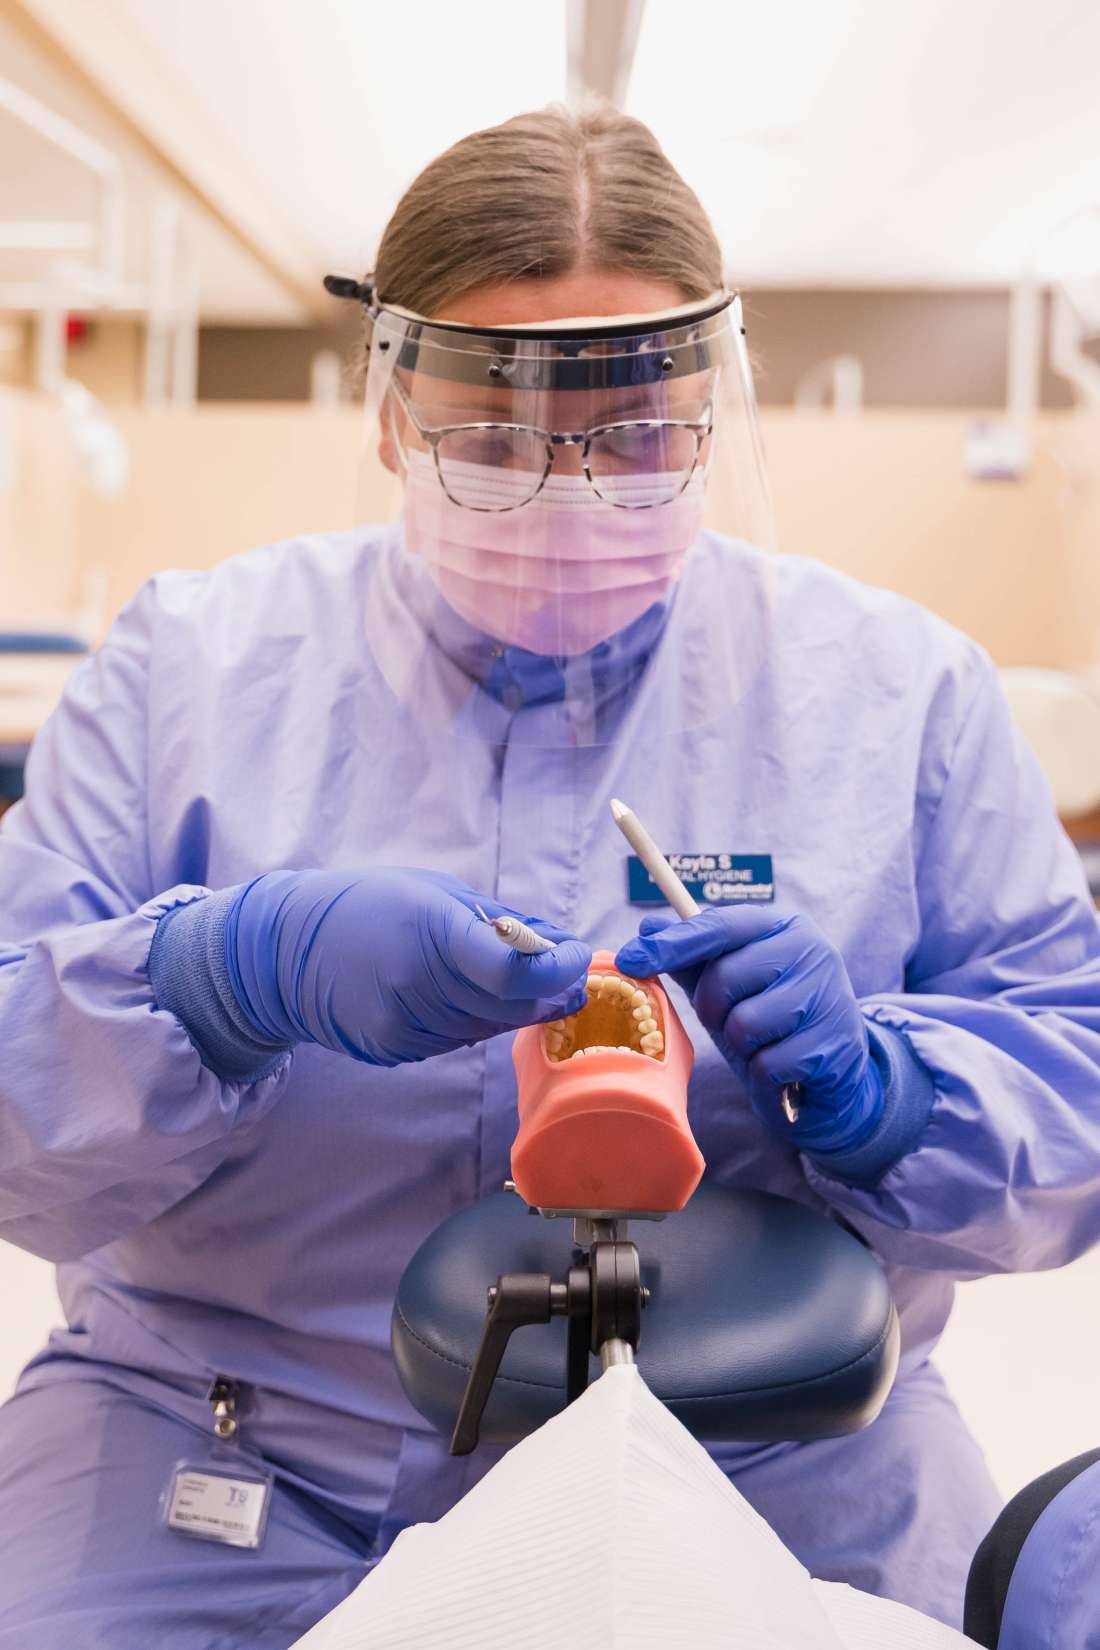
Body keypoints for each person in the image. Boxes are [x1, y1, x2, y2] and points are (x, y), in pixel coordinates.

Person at [0, 105, 1098, 1647]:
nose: (569, 494)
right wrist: (213, 982)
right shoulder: (190, 673)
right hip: (232, 1435)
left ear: (712, 412)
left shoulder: (895, 695)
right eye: (494, 439)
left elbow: (1078, 1085)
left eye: (639, 438)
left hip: (777, 1449)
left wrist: (891, 1093)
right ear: (390, 412)